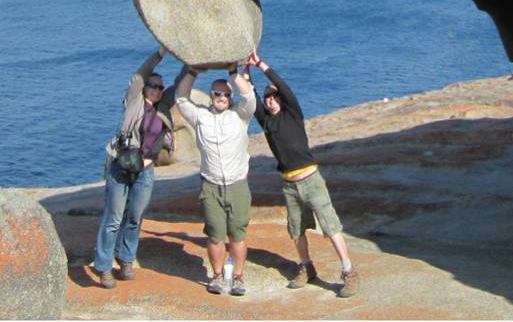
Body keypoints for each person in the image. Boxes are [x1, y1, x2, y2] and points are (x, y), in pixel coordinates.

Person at [247, 47, 359, 298]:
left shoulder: (293, 114)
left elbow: (283, 86)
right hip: (289, 184)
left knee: (331, 226)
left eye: (274, 97)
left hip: (311, 179)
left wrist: (260, 64)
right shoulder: (267, 122)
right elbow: (251, 97)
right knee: (296, 230)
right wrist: (243, 72)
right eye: (268, 99)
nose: (271, 100)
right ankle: (306, 267)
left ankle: (348, 271)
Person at [91, 45, 186, 289]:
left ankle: (126, 260)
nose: (157, 90)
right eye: (153, 86)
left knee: (135, 217)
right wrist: (161, 54)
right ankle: (103, 267)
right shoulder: (134, 101)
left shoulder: (163, 106)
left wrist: (193, 62)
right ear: (145, 88)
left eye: (159, 87)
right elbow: (138, 76)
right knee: (113, 218)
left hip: (146, 170)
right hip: (121, 167)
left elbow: (183, 82)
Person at [175, 64, 256, 296]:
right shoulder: (201, 116)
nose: (221, 97)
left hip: (238, 184)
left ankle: (238, 277)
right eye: (217, 93)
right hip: (210, 185)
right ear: (211, 96)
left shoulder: (240, 115)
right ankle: (217, 276)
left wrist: (234, 73)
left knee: (238, 235)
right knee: (214, 234)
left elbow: (249, 96)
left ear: (230, 97)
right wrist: (192, 71)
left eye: (226, 94)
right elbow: (181, 99)